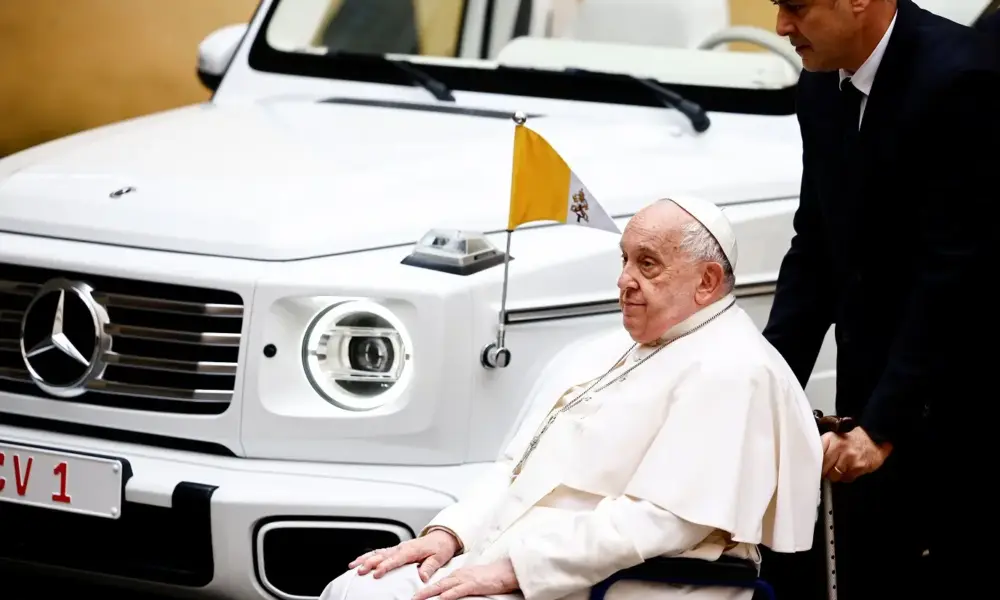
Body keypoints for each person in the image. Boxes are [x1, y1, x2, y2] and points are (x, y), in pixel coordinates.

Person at [319, 197, 824, 600]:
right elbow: (518, 466)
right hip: (514, 562)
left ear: (707, 281)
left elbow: (661, 522)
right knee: (357, 587)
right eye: (624, 260)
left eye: (648, 264)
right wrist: (448, 535)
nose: (624, 280)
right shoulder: (613, 347)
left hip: (615, 585)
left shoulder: (735, 371)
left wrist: (515, 570)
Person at [762, 1, 999, 598]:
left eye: (796, 7)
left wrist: (884, 425)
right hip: (872, 390)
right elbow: (816, 249)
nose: (781, 26)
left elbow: (955, 274)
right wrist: (764, 388)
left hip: (964, 402)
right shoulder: (820, 83)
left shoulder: (965, 79)